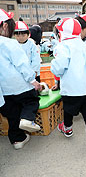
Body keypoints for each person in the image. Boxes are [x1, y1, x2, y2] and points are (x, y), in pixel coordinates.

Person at [51, 18, 86, 157]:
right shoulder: (85, 46)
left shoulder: (62, 46)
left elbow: (59, 67)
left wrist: (54, 69)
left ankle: (67, 129)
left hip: (72, 89)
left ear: (62, 32)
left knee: (68, 110)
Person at [0, 9, 42, 150]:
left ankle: (17, 140)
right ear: (5, 26)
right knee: (31, 101)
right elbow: (22, 65)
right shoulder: (10, 44)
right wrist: (33, 80)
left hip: (4, 90)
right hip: (21, 85)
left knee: (12, 114)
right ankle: (27, 119)